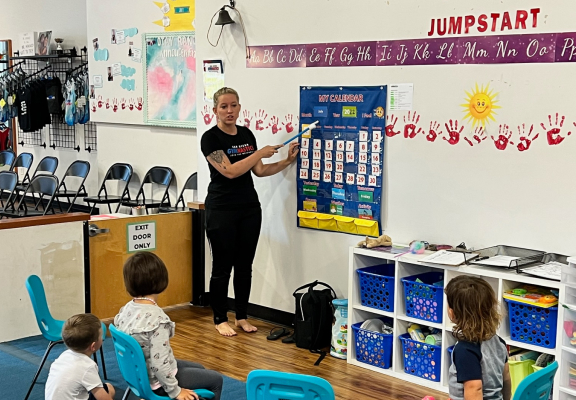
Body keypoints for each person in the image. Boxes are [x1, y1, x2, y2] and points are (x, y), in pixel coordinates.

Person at [200, 87, 299, 337]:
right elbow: (230, 171)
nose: (229, 110)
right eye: (224, 106)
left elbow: (260, 171)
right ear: (215, 110)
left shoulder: (246, 134)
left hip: (249, 208)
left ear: (239, 107)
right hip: (221, 209)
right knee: (222, 267)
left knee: (245, 266)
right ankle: (220, 318)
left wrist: (286, 161)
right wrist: (258, 153)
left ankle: (241, 316)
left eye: (233, 105)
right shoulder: (210, 138)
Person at [115, 252, 223, 400]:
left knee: (200, 368)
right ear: (161, 280)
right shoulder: (158, 320)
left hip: (137, 375)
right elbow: (159, 363)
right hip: (157, 383)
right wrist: (176, 391)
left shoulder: (126, 310)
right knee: (216, 380)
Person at [445, 275, 511, 400]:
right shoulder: (499, 342)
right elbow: (506, 377)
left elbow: (474, 389)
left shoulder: (465, 350)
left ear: (452, 313)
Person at [45, 314, 115, 400]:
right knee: (110, 389)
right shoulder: (87, 366)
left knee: (105, 387)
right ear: (93, 346)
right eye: (100, 336)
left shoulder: (64, 355)